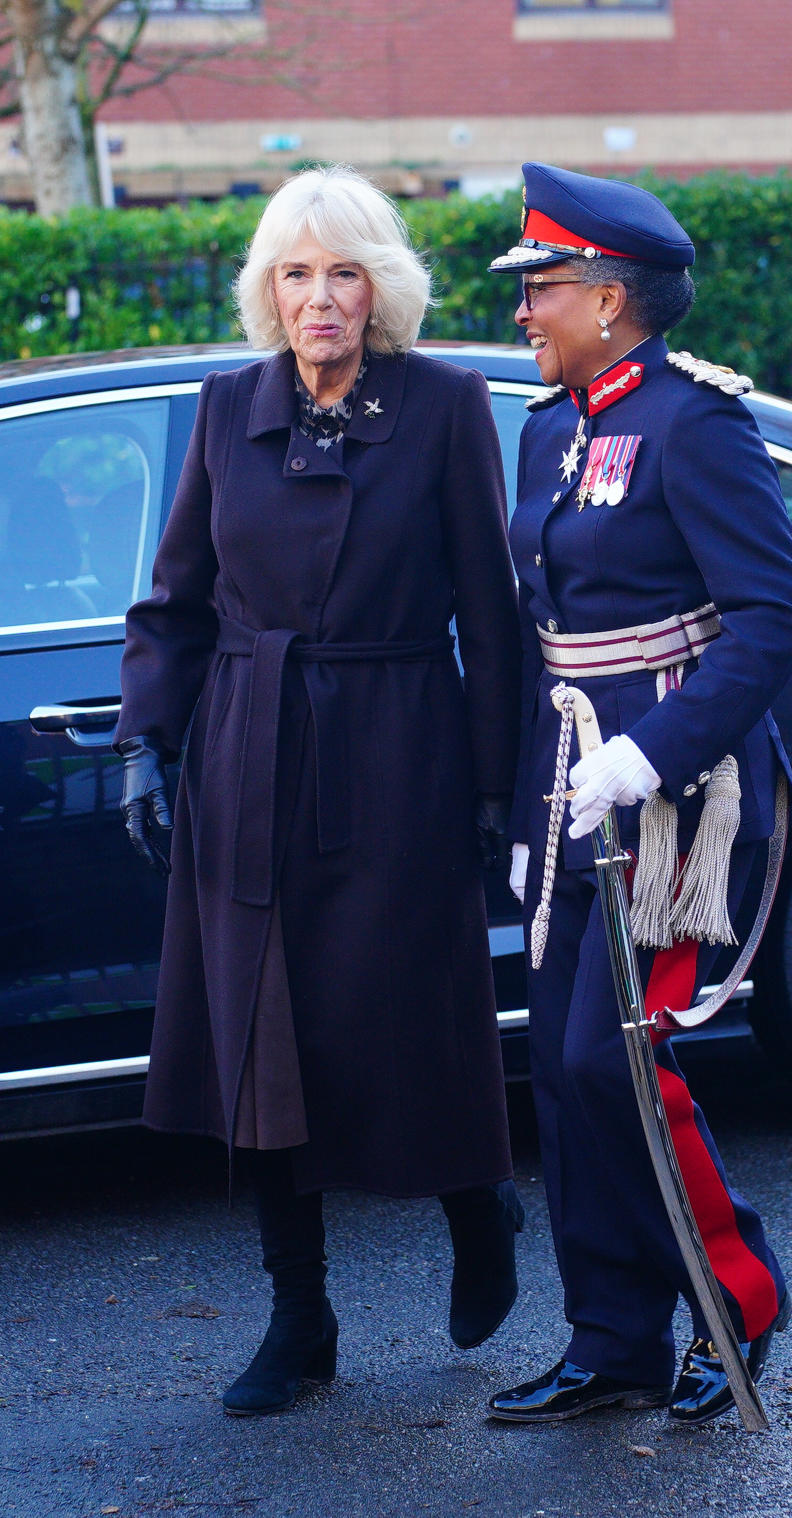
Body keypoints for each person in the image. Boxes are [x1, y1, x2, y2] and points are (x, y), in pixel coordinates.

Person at [115, 166, 523, 1417]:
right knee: (261, 1034)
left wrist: (499, 790)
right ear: (269, 292)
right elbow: (175, 600)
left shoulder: (445, 406)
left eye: (343, 271)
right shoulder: (225, 405)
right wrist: (148, 738)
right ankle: (301, 1317)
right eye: (295, 273)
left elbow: (493, 621)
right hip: (249, 748)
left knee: (414, 1009)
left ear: (379, 288)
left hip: (401, 742)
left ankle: (480, 1202)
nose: (319, 297)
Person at [485, 162, 792, 1427]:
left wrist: (653, 753)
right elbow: (545, 633)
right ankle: (612, 1338)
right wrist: (531, 806)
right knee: (562, 1077)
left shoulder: (696, 423)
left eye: (542, 290)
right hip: (571, 785)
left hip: (675, 795)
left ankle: (737, 1293)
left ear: (611, 298)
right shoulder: (548, 425)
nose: (523, 313)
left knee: (616, 1062)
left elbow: (773, 619)